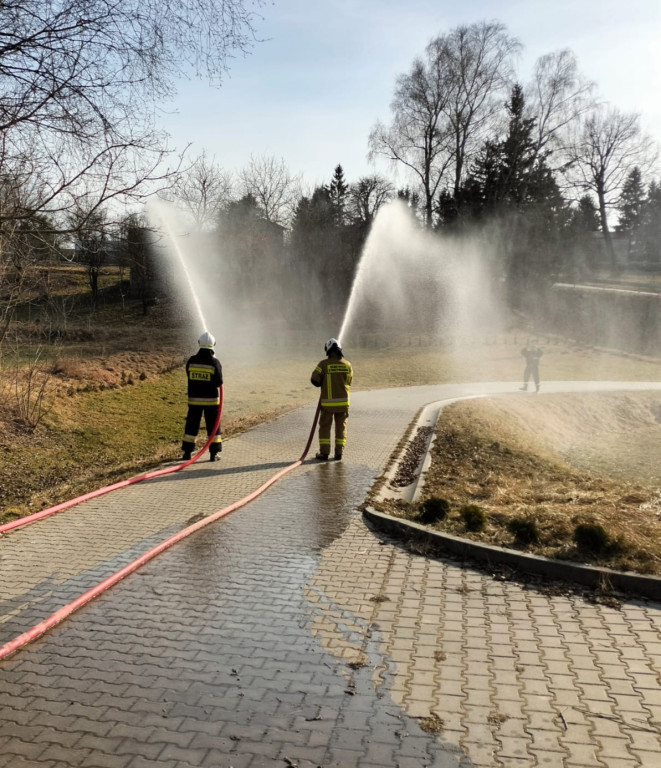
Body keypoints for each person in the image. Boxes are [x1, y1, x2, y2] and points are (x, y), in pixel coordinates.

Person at [181, 331, 223, 462]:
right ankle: (213, 454)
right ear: (213, 345)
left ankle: (187, 453)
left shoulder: (191, 360)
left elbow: (189, 375)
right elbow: (219, 382)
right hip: (211, 402)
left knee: (191, 426)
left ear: (199, 343)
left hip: (194, 401)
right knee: (213, 427)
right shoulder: (215, 362)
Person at [311, 338, 353, 461]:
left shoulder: (323, 364)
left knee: (325, 427)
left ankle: (324, 453)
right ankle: (339, 454)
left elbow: (314, 380)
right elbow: (349, 381)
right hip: (343, 404)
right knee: (341, 428)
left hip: (327, 404)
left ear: (328, 350)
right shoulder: (348, 365)